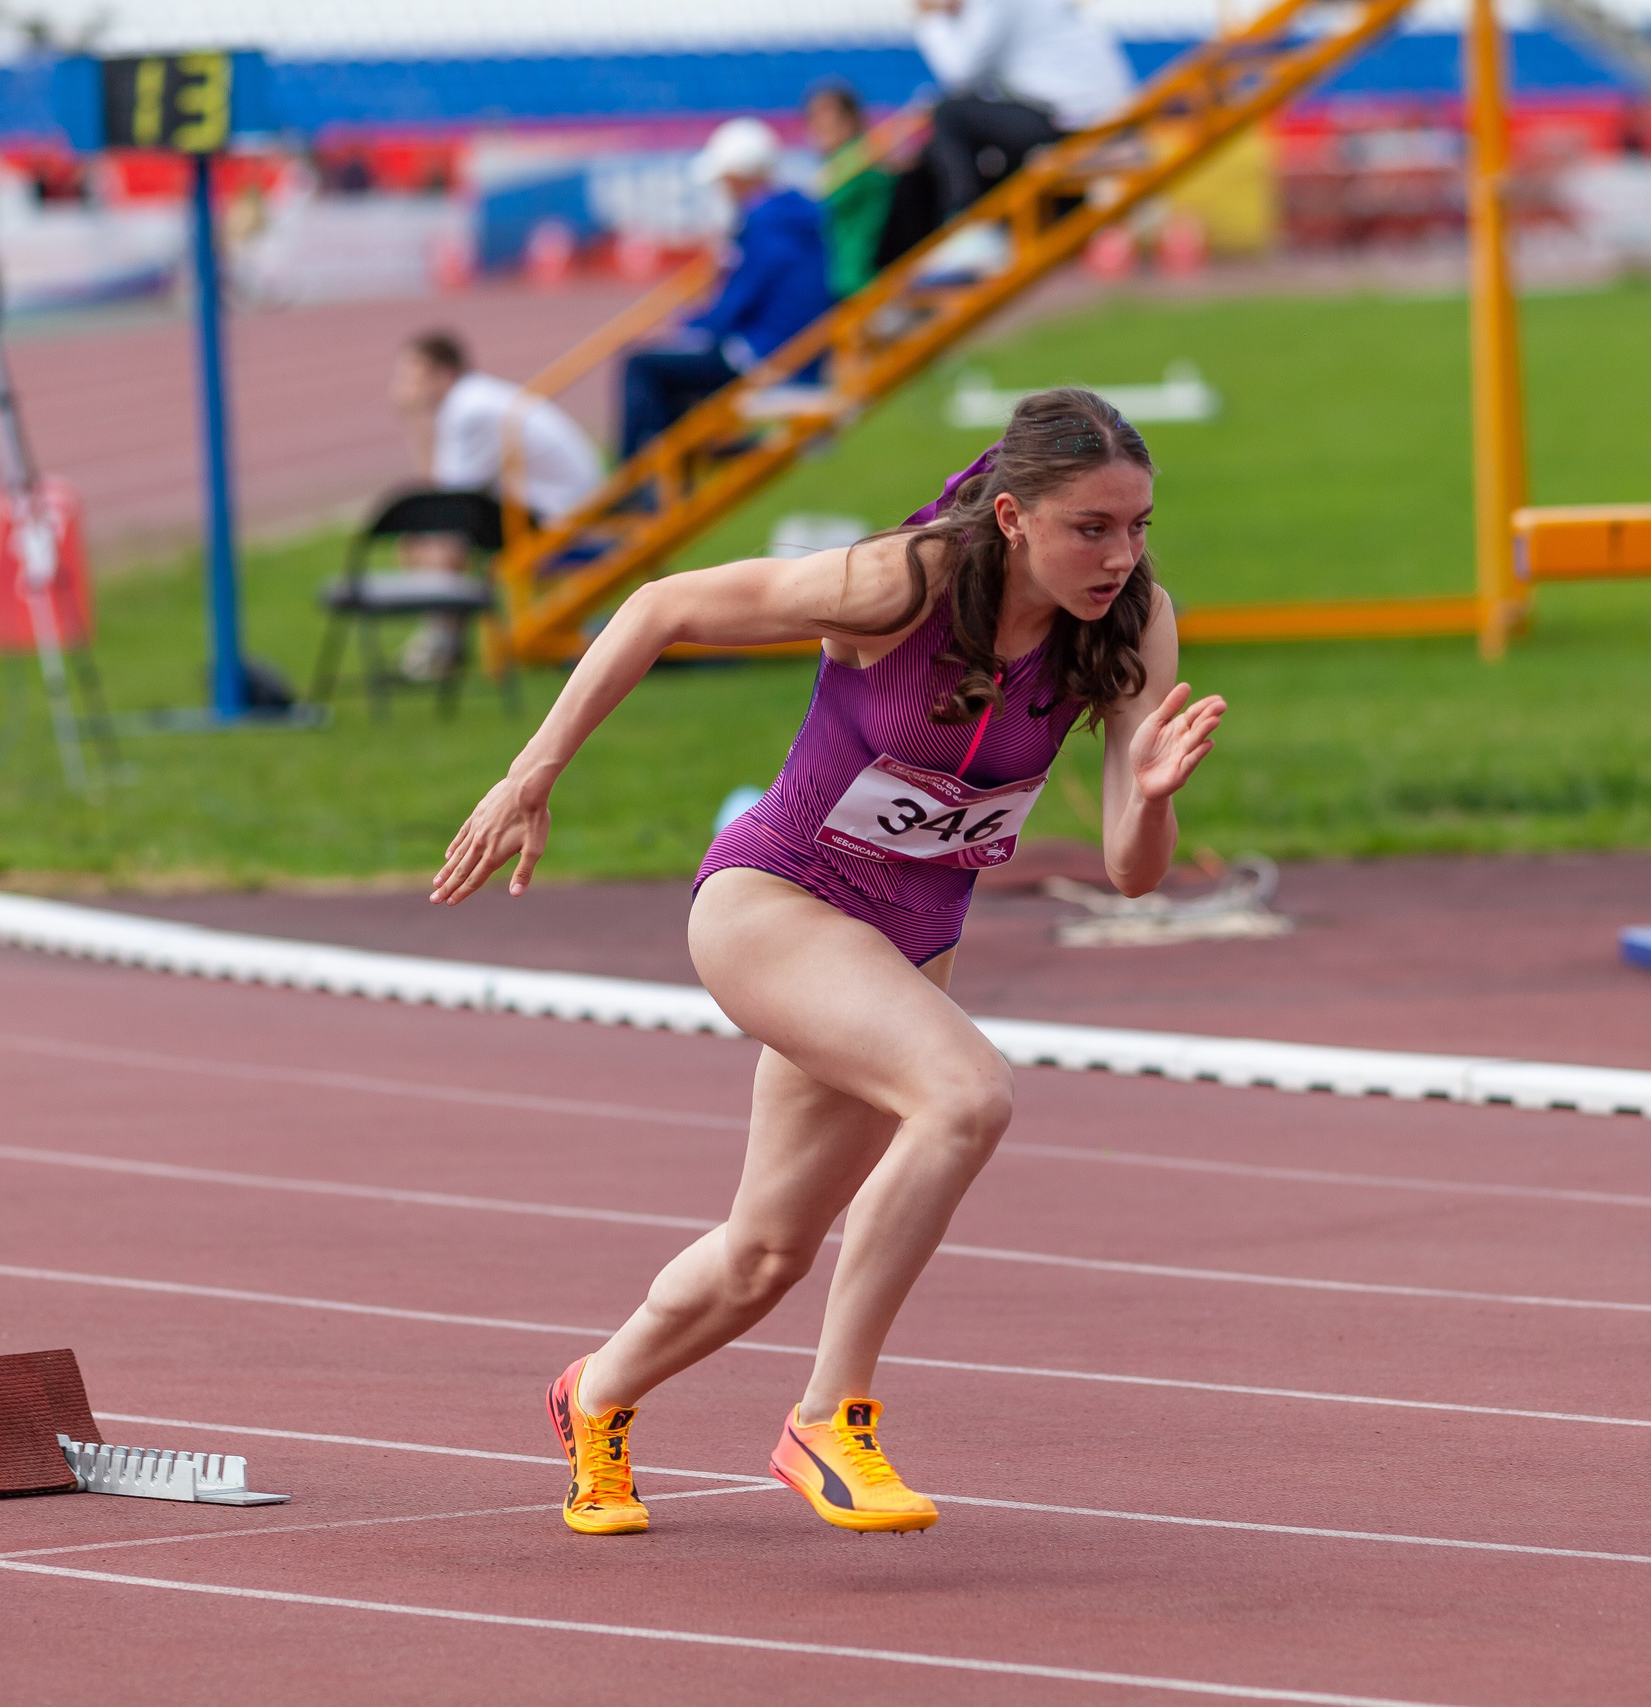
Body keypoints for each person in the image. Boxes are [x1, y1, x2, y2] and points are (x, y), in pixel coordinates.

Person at [431, 388, 1226, 1536]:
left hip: (906, 946)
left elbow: (1129, 871)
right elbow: (660, 605)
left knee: (765, 1253)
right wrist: (532, 772)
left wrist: (1149, 800)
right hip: (777, 901)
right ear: (1010, 517)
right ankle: (826, 1417)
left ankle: (592, 1396)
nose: (1121, 555)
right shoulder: (897, 584)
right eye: (1090, 529)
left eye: (1139, 525)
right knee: (963, 1097)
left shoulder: (1133, 624)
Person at [388, 330, 603, 677]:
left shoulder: (467, 410)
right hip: (563, 505)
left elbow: (442, 495)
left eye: (412, 376)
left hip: (566, 517)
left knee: (435, 533)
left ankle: (442, 642)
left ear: (444, 375)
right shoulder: (475, 399)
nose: (402, 387)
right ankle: (443, 638)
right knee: (429, 530)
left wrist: (416, 422)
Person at [619, 118, 832, 459]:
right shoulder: (798, 215)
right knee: (669, 375)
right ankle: (683, 469)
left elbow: (738, 301)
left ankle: (632, 481)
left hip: (764, 352)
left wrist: (690, 326)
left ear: (739, 176)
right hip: (796, 351)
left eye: (724, 180)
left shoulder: (762, 223)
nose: (722, 188)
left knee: (640, 365)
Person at [913, 0, 1137, 217]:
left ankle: (967, 223)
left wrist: (930, 18)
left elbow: (960, 76)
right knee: (951, 142)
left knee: (949, 115)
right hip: (1091, 119)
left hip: (1076, 124)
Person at [805, 79, 894, 300]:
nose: (821, 126)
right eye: (814, 118)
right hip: (850, 282)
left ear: (852, 119)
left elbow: (813, 210)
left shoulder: (858, 162)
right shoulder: (844, 164)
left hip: (862, 282)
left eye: (831, 119)